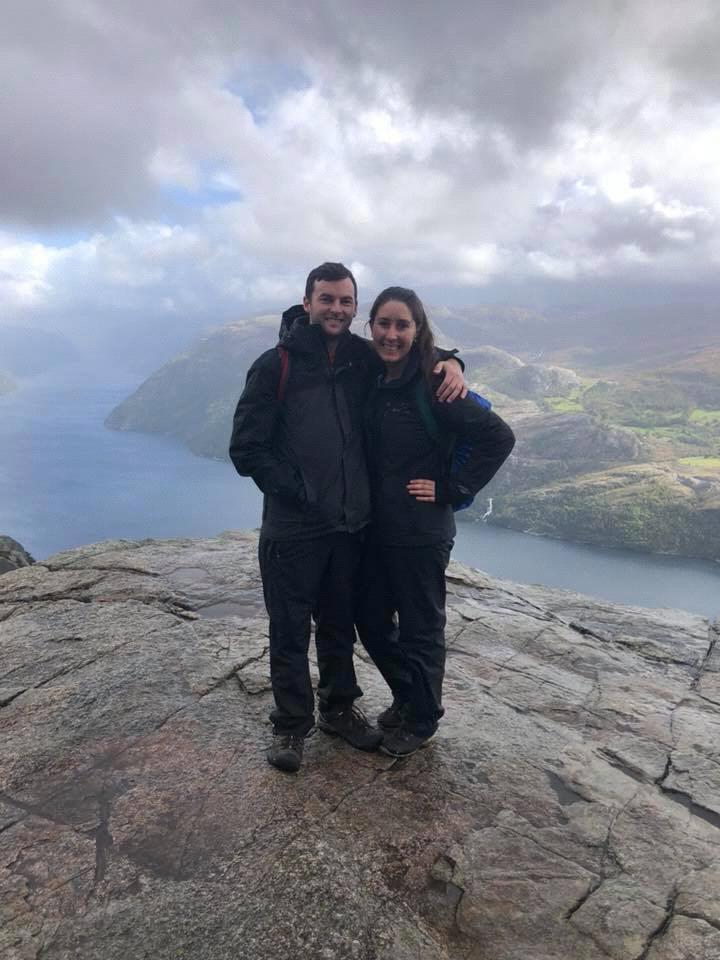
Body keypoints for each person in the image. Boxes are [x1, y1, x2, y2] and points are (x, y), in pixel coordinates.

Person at [229, 263, 466, 773]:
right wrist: (300, 491)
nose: (336, 309)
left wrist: (450, 361)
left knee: (338, 625)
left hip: (349, 527)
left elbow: (407, 352)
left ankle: (338, 708)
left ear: (355, 308)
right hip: (293, 528)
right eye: (327, 299)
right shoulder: (277, 365)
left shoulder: (362, 359)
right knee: (290, 628)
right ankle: (292, 726)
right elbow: (246, 449)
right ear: (308, 302)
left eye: (345, 301)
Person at [358, 286, 515, 759]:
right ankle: (409, 695)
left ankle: (422, 718)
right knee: (369, 619)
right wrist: (450, 357)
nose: (391, 334)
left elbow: (498, 437)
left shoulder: (436, 386)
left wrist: (452, 488)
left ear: (417, 330)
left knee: (420, 627)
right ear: (371, 328)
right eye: (383, 324)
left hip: (421, 532)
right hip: (377, 528)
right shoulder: (370, 374)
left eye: (402, 325)